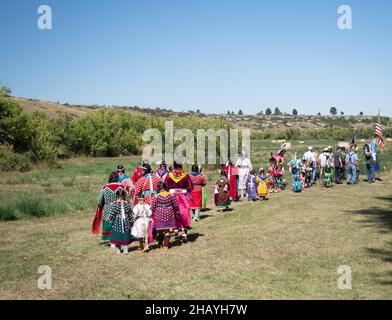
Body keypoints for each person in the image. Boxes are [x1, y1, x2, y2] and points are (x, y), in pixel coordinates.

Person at [92, 171, 128, 245]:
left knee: (109, 223)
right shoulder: (122, 187)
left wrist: (101, 204)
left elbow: (99, 200)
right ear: (117, 178)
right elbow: (126, 198)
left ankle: (111, 240)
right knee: (118, 222)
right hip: (119, 208)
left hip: (108, 208)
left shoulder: (105, 188)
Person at [164, 161, 193, 243]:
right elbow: (190, 187)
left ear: (174, 167)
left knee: (173, 213)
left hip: (172, 196)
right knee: (184, 214)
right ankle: (184, 232)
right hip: (183, 197)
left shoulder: (169, 175)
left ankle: (175, 229)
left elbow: (165, 186)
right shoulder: (185, 176)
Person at [151, 182, 181, 251]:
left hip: (159, 214)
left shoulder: (156, 196)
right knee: (167, 230)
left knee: (160, 230)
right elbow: (176, 205)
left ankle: (160, 243)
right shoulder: (171, 195)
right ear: (165, 187)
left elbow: (153, 207)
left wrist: (150, 214)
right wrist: (177, 213)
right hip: (169, 213)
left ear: (159, 188)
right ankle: (166, 245)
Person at [104, 189, 134, 255]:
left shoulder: (115, 204)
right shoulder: (127, 204)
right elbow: (130, 214)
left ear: (117, 196)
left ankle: (118, 249)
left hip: (117, 221)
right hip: (126, 221)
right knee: (125, 234)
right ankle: (125, 249)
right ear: (124, 196)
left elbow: (112, 213)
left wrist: (108, 219)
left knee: (117, 234)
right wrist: (132, 222)